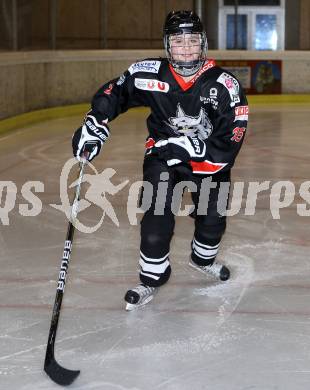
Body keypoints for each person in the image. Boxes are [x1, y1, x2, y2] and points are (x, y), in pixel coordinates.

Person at [72, 10, 248, 311]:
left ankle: (202, 259)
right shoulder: (149, 73)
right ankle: (152, 278)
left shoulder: (224, 85)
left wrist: (194, 149)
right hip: (163, 155)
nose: (187, 47)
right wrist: (95, 121)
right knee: (155, 219)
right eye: (178, 41)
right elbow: (117, 91)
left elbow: (232, 137)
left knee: (212, 221)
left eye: (193, 40)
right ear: (167, 45)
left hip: (208, 162)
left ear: (203, 43)